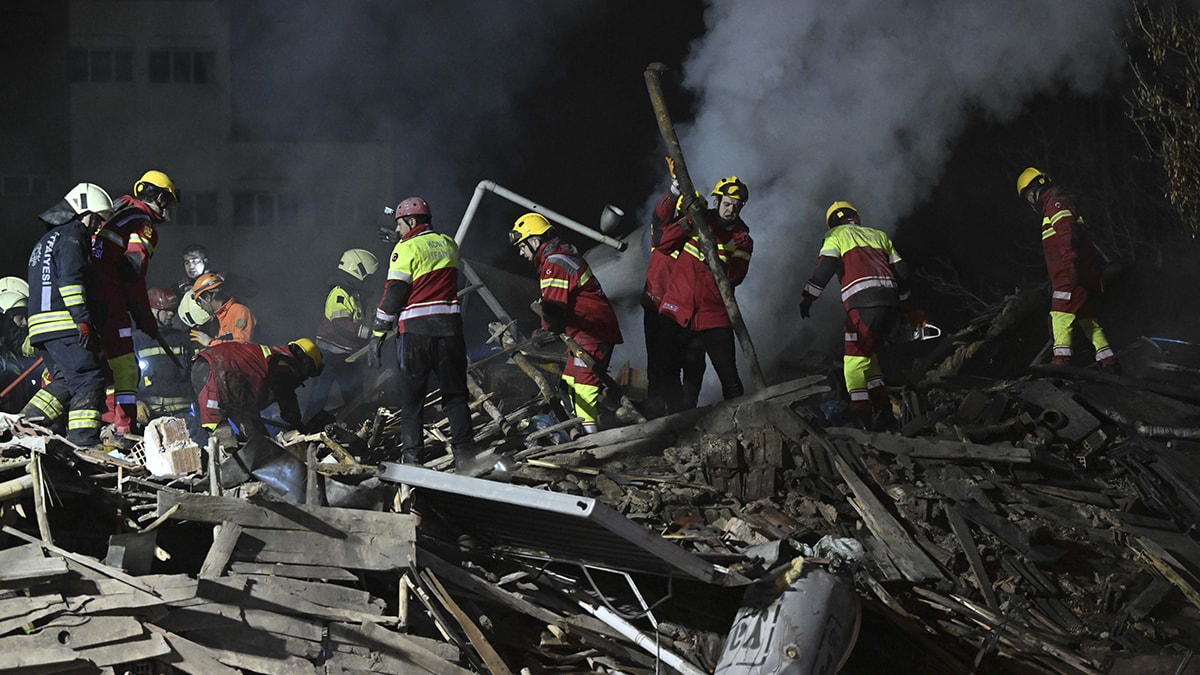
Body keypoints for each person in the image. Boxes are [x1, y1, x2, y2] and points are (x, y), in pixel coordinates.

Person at [366, 197, 477, 469]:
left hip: (416, 334)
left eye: (400, 225)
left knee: (412, 400)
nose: (398, 230)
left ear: (412, 221)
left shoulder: (404, 248)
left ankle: (413, 460)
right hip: (450, 332)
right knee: (456, 396)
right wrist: (400, 240)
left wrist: (378, 335)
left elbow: (395, 293)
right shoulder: (449, 243)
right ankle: (466, 458)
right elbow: (429, 264)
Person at [799, 201, 916, 430]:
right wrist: (906, 307)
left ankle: (860, 417)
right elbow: (902, 271)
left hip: (862, 304)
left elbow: (825, 269)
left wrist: (808, 298)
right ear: (856, 216)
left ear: (832, 222)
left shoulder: (835, 235)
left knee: (852, 363)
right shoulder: (878, 235)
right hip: (889, 304)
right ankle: (883, 411)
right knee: (869, 359)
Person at [509, 212, 623, 434]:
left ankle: (593, 443)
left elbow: (555, 309)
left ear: (534, 241)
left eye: (522, 246)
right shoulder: (559, 258)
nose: (521, 252)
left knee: (583, 388)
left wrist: (545, 332)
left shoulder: (554, 264)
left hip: (592, 333)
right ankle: (580, 431)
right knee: (567, 385)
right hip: (587, 332)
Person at [20, 183, 114, 449]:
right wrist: (82, 319)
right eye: (96, 220)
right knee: (89, 377)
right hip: (64, 323)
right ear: (85, 212)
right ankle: (83, 442)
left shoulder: (45, 240)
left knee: (65, 380)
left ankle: (27, 424)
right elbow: (71, 281)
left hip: (41, 327)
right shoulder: (73, 235)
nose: (96, 228)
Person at [92, 170, 179, 436]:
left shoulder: (117, 210)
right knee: (126, 368)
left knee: (96, 367)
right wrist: (144, 317)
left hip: (87, 298)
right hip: (110, 299)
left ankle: (101, 422)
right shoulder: (142, 223)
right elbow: (132, 272)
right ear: (161, 197)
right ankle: (124, 430)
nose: (168, 210)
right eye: (168, 202)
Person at [655, 176, 753, 408]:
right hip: (678, 311)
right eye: (727, 204)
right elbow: (664, 245)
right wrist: (688, 222)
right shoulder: (697, 221)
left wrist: (715, 253)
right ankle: (681, 421)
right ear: (717, 202)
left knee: (729, 376)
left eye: (737, 207)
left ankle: (741, 418)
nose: (731, 210)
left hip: (714, 316)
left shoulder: (742, 240)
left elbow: (735, 277)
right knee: (680, 372)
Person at [1016, 167, 1117, 369]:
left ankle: (1061, 360)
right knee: (1088, 320)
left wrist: (1070, 266)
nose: (1030, 201)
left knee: (1059, 314)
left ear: (1037, 187)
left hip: (1071, 275)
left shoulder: (1055, 204)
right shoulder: (1056, 205)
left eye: (1029, 195)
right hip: (1081, 275)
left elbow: (1067, 233)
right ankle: (1108, 359)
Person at [191, 338, 323, 439]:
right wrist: (297, 424)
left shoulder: (267, 358)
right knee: (223, 433)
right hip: (222, 372)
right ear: (306, 363)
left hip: (202, 367)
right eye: (309, 373)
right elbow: (285, 393)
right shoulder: (283, 364)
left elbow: (247, 407)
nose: (304, 379)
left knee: (252, 433)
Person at [310, 248, 378, 418]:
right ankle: (305, 431)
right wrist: (369, 333)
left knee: (355, 398)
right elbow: (340, 324)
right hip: (328, 358)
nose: (370, 282)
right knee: (318, 398)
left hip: (348, 357)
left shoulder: (356, 296)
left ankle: (357, 430)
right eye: (368, 277)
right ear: (357, 271)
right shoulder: (339, 293)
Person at [134, 287, 194, 421]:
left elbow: (193, 376)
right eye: (166, 310)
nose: (171, 314)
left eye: (172, 310)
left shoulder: (183, 339)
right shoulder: (137, 340)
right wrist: (136, 402)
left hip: (182, 414)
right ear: (151, 311)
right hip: (149, 413)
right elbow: (126, 378)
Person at [190, 273, 255, 346]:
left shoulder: (239, 311)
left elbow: (242, 346)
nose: (201, 307)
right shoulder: (217, 319)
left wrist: (210, 342)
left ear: (207, 297)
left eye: (199, 302)